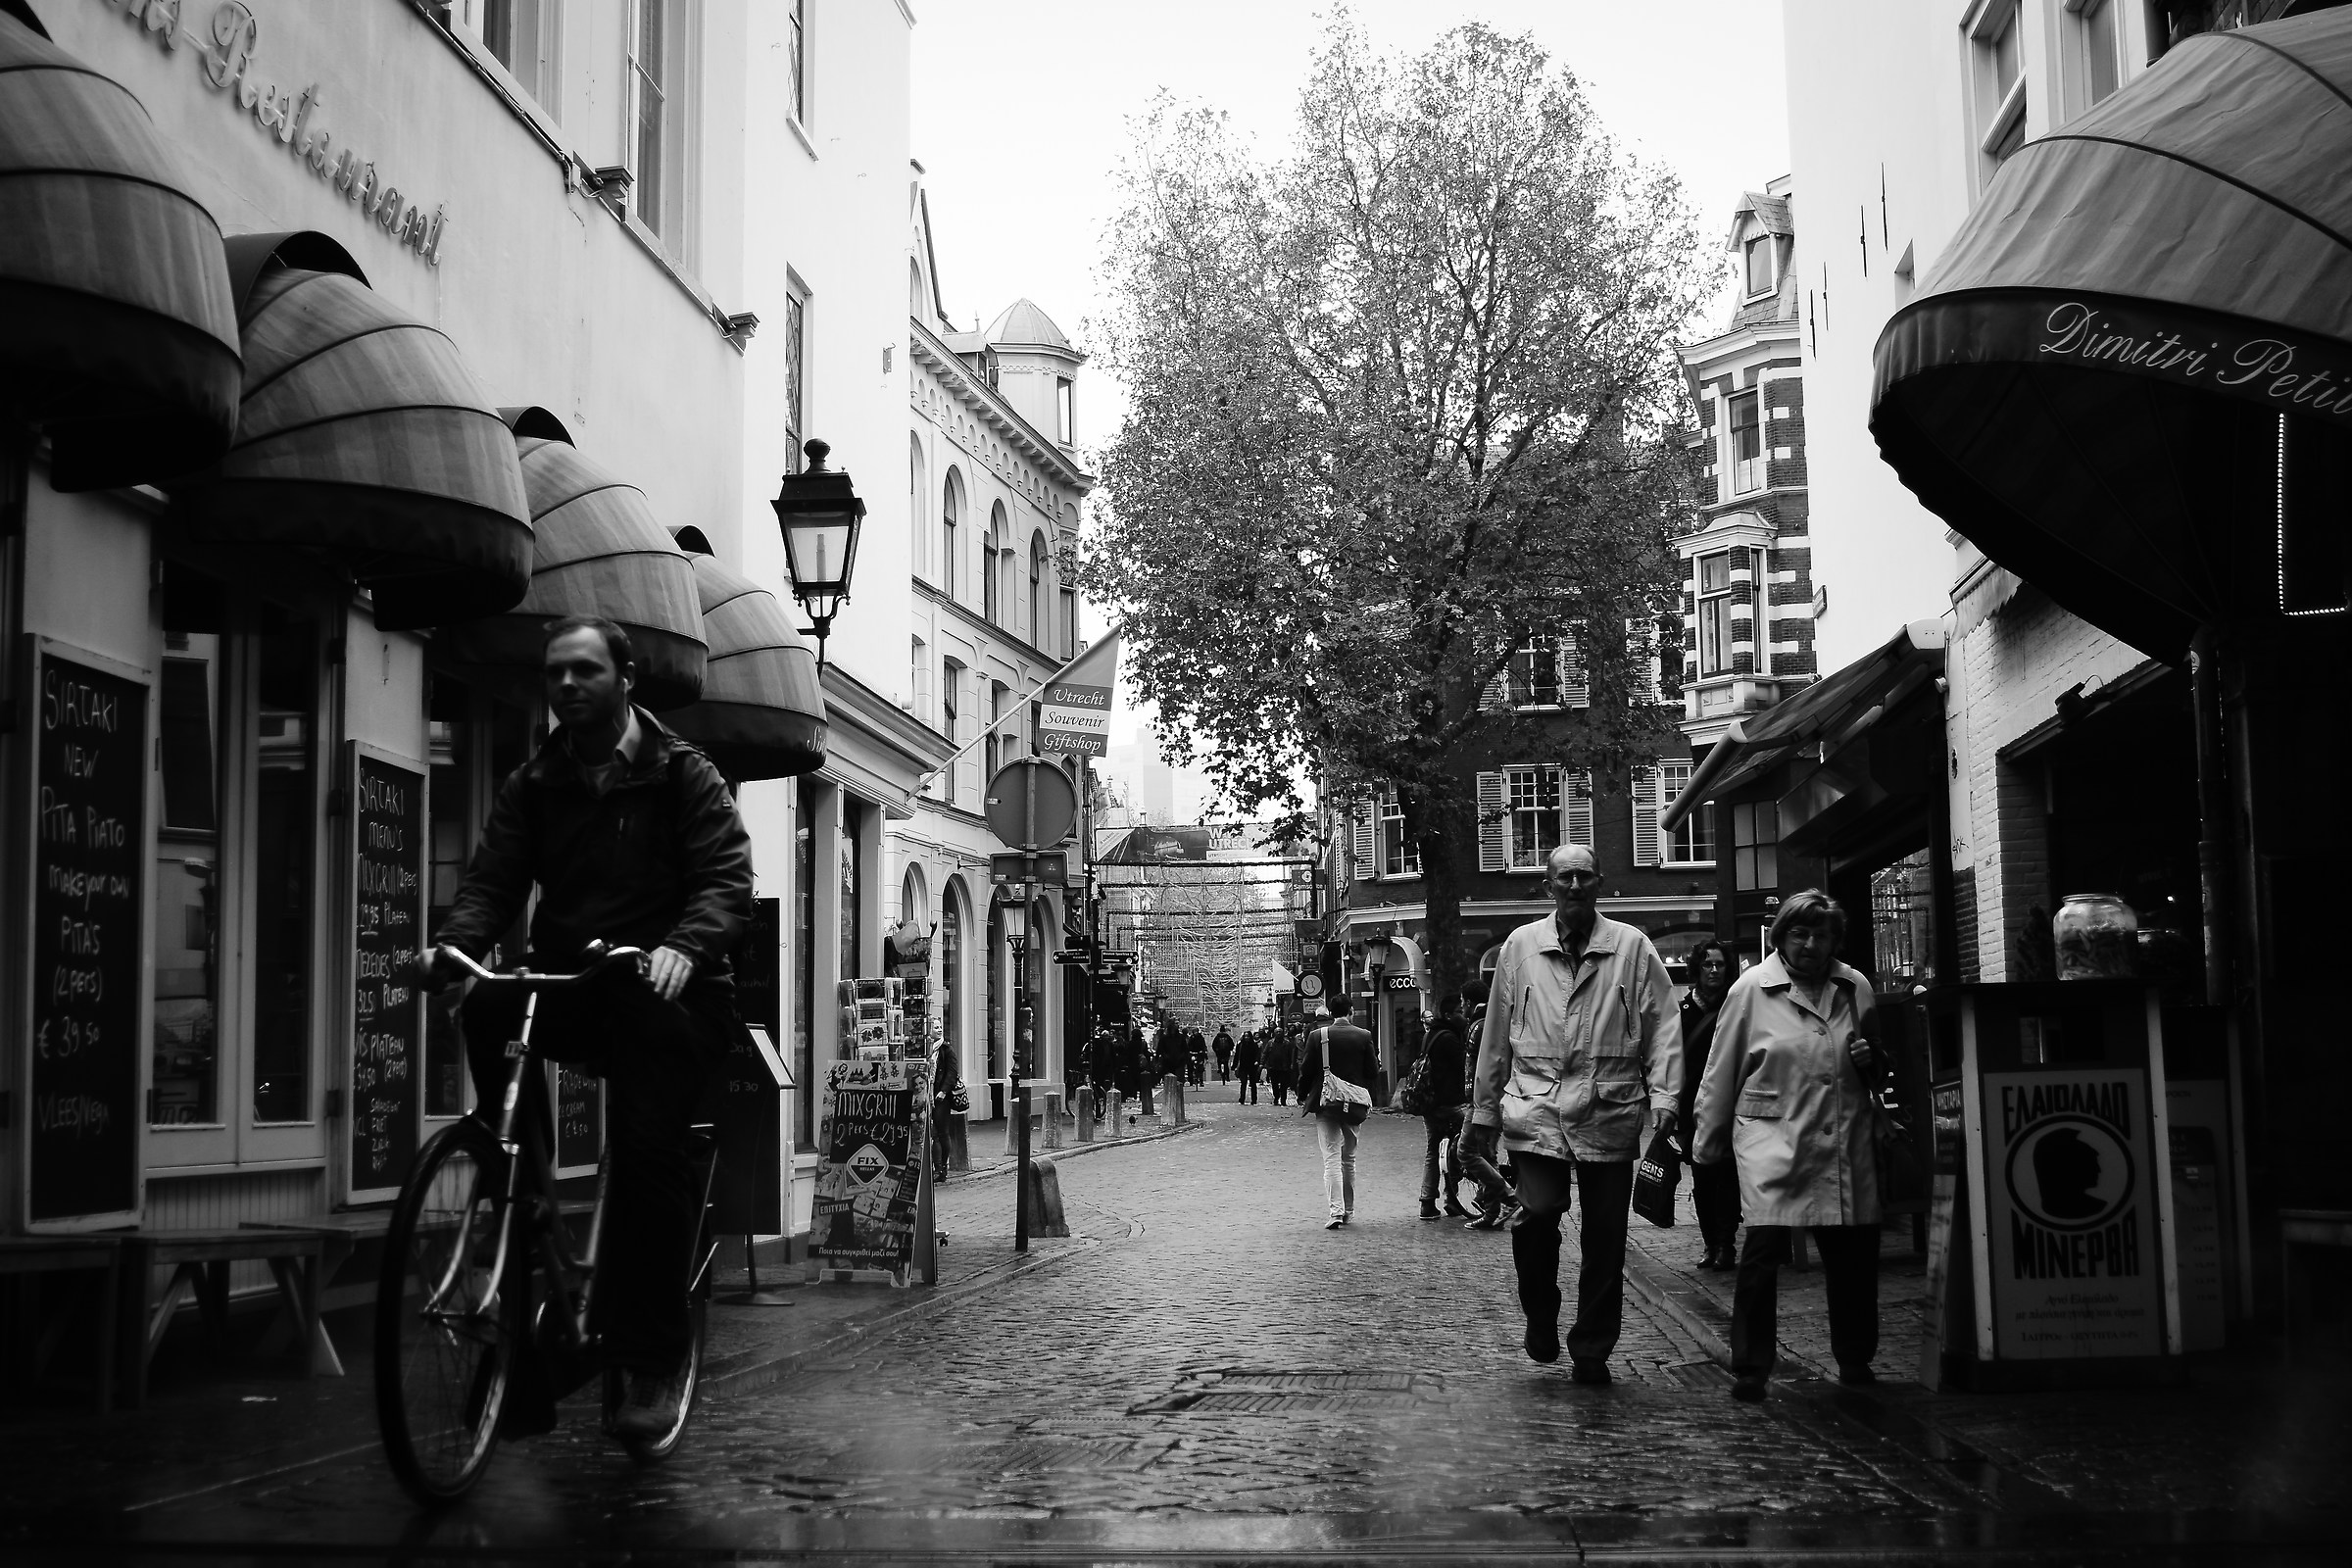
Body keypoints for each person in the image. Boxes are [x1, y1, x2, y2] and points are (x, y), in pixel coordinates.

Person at [428, 615, 752, 1442]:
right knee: (490, 1003)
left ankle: (653, 1356)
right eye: (555, 673)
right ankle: (518, 1176)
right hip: (574, 980)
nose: (567, 684)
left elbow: (725, 880)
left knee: (647, 1154)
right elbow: (493, 880)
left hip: (670, 991)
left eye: (585, 670)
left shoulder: (684, 775)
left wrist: (686, 946)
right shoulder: (536, 782)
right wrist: (457, 948)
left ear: (626, 678)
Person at [1465, 844, 1683, 1382]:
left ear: (1600, 882)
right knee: (1536, 1215)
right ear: (1549, 887)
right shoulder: (1520, 947)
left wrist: (1666, 1098)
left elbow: (1663, 1026)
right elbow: (1496, 1036)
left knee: (1605, 1237)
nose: (1576, 886)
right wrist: (1484, 1111)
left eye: (1585, 876)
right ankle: (1541, 1313)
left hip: (1609, 1108)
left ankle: (1592, 1348)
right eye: (1565, 878)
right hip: (1535, 1108)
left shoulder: (1632, 947)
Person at [1692, 891, 1885, 1403]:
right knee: (1762, 1254)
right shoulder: (1751, 990)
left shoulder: (1855, 987)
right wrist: (1707, 1145)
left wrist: (1872, 1060)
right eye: (1800, 933)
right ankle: (1751, 1366)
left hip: (1841, 1135)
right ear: (1781, 936)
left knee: (1852, 1254)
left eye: (1821, 934)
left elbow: (1879, 1065)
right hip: (1771, 1140)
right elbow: (1720, 1072)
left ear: (1835, 940)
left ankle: (1855, 1357)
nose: (1810, 944)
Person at [1675, 939, 1743, 1269]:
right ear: (1697, 969)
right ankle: (1710, 1243)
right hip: (1694, 1109)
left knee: (1728, 1176)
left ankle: (1726, 1244)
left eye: (1719, 964)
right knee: (1702, 1180)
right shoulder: (1682, 1013)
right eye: (1707, 964)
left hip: (1731, 1105)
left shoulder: (1737, 1005)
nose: (1713, 970)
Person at [1297, 1001, 1379, 1228]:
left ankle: (1336, 1211)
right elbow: (1372, 1071)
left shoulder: (1318, 1036)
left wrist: (1302, 1095)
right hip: (1353, 1103)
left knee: (1331, 1157)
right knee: (1348, 1159)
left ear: (1331, 1013)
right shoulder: (1363, 1036)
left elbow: (1306, 1070)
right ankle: (1349, 1211)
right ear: (1351, 1012)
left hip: (1326, 1102)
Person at [1418, 993, 1472, 1219]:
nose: (1463, 1016)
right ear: (1449, 1015)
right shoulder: (1449, 1038)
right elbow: (1464, 1067)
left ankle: (1427, 1202)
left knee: (1433, 1150)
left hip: (1430, 1104)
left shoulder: (1430, 1035)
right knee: (1466, 1144)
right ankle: (1452, 1199)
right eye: (1459, 1012)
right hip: (1450, 1103)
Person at [1264, 1026, 1296, 1106]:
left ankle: (1283, 1100)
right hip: (1273, 1067)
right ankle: (1276, 1097)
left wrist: (1291, 1064)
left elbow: (1291, 1055)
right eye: (1277, 1032)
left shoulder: (1287, 1043)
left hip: (1284, 1067)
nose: (1278, 1033)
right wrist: (1262, 1063)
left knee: (1284, 1085)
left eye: (1280, 1032)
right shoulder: (1270, 1043)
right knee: (1274, 1084)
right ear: (1274, 1033)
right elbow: (1265, 1053)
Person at [1235, 1028, 1263, 1103]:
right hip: (1243, 1066)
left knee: (1253, 1083)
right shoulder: (1240, 1045)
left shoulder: (1254, 1045)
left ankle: (1254, 1099)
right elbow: (1237, 1056)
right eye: (1245, 1036)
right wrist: (1235, 1065)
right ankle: (1242, 1098)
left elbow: (1257, 1054)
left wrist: (1257, 1061)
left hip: (1252, 1066)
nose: (1246, 1037)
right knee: (1243, 1082)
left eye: (1248, 1036)